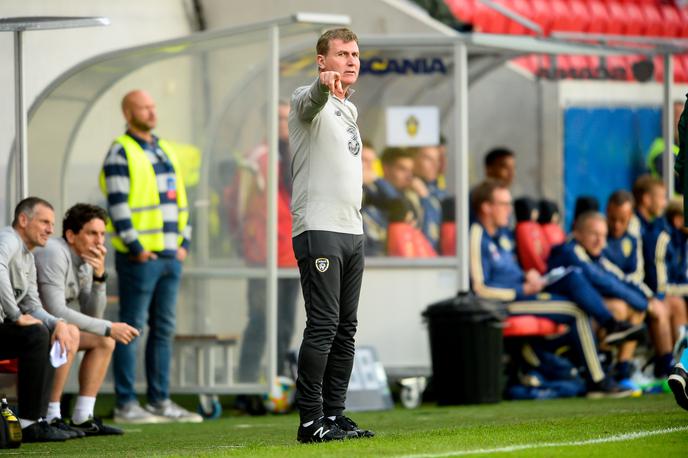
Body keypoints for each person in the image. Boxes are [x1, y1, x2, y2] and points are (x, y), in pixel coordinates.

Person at [470, 180, 639, 397]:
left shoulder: (502, 236)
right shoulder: (477, 234)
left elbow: (507, 273)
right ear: (486, 207)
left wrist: (526, 275)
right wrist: (521, 290)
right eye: (503, 204)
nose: (509, 210)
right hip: (504, 303)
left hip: (524, 292)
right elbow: (480, 288)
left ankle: (600, 364)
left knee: (572, 284)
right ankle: (599, 376)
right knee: (576, 310)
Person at [289, 27, 373, 442]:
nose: (351, 60)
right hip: (318, 228)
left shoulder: (349, 110)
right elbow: (312, 100)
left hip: (351, 229)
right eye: (342, 53)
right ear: (322, 60)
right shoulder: (309, 100)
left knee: (346, 327)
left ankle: (335, 414)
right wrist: (320, 86)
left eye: (355, 53)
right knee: (322, 325)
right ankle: (310, 421)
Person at [100, 89, 202, 424]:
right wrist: (136, 248)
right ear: (128, 113)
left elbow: (181, 201)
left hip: (171, 256)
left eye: (153, 106)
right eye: (144, 107)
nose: (151, 111)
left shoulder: (165, 149)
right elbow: (117, 205)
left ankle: (160, 402)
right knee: (132, 328)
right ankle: (126, 404)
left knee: (163, 330)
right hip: (140, 259)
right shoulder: (121, 151)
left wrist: (184, 242)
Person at [34, 203, 139, 436]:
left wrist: (99, 276)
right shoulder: (54, 252)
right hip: (32, 328)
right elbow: (55, 310)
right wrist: (109, 327)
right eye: (92, 233)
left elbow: (93, 314)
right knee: (69, 331)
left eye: (102, 234)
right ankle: (50, 416)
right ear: (71, 235)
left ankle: (82, 417)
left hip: (51, 329)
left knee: (104, 341)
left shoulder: (85, 261)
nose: (99, 241)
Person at [0, 197, 79, 442]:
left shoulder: (28, 256)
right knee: (36, 334)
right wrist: (14, 315)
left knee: (43, 330)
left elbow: (32, 305)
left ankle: (37, 420)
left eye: (52, 223)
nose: (50, 229)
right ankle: (30, 423)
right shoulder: (9, 238)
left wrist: (58, 323)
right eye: (44, 221)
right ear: (23, 220)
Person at [237, 102, 300, 385]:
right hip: (264, 256)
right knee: (261, 320)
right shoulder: (258, 158)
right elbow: (240, 209)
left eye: (288, 118)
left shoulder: (296, 155)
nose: (284, 124)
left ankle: (279, 382)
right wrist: (250, 243)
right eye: (278, 118)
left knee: (285, 324)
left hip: (292, 253)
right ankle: (247, 383)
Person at [548, 211, 648, 386]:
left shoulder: (598, 256)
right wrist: (643, 302)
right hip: (565, 315)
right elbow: (602, 282)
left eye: (603, 236)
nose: (600, 241)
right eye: (594, 234)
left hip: (590, 313)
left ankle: (622, 370)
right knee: (619, 308)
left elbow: (621, 280)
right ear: (577, 233)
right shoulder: (569, 251)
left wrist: (647, 301)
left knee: (635, 307)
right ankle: (603, 361)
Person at [604, 191, 676, 383]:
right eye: (612, 218)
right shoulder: (599, 234)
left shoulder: (632, 237)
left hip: (627, 292)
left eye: (622, 219)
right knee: (632, 307)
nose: (617, 224)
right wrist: (640, 297)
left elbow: (636, 273)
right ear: (606, 212)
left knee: (662, 308)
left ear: (630, 216)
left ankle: (666, 367)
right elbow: (606, 275)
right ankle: (616, 370)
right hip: (609, 295)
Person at [362, 147, 422, 256]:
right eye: (402, 169)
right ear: (386, 169)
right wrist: (377, 179)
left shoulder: (409, 199)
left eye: (372, 162)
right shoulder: (369, 194)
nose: (409, 176)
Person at [410, 145, 447, 252]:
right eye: (428, 159)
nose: (435, 164)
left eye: (437, 160)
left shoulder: (441, 194)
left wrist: (425, 197)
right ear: (414, 161)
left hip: (439, 259)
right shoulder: (406, 191)